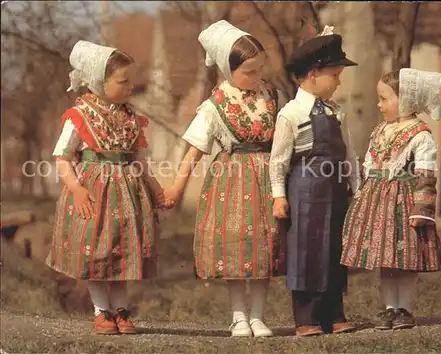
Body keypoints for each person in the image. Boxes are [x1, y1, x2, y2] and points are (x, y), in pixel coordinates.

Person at [163, 20, 286, 338]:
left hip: (267, 177)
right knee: (237, 247)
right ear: (227, 69)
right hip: (231, 181)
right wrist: (177, 186)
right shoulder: (215, 106)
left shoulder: (271, 96)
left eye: (259, 69)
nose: (256, 77)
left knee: (262, 247)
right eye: (248, 71)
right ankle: (238, 316)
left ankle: (258, 316)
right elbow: (194, 151)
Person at [46, 40, 165, 335]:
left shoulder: (130, 118)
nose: (130, 87)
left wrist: (153, 186)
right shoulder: (80, 116)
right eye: (122, 81)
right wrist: (75, 188)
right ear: (100, 82)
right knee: (97, 254)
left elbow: (140, 159)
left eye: (130, 81)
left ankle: (121, 310)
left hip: (128, 194)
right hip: (94, 193)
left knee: (122, 253)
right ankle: (101, 311)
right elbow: (62, 156)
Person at [269, 25, 361, 337]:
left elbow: (349, 154)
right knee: (305, 251)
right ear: (313, 73)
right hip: (304, 190)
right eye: (334, 76)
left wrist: (357, 190)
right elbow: (278, 160)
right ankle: (306, 317)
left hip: (335, 190)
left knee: (334, 249)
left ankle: (334, 314)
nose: (338, 83)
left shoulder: (338, 113)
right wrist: (279, 195)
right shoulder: (291, 114)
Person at [341, 68, 441, 330]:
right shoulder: (380, 131)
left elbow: (425, 174)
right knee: (386, 259)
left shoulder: (420, 135)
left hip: (404, 202)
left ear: (406, 99)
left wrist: (422, 207)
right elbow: (369, 164)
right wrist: (362, 192)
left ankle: (405, 309)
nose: (379, 105)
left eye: (385, 98)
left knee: (405, 258)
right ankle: (390, 308)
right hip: (378, 201)